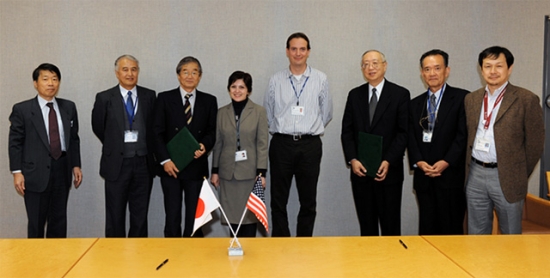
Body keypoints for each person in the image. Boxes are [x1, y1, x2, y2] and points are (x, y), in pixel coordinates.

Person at [465, 46, 544, 234]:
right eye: (487, 66)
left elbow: (535, 143)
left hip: (507, 175)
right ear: (481, 69)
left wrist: (517, 171)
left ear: (510, 68)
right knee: (476, 232)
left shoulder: (526, 99)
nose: (493, 72)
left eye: (499, 66)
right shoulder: (471, 99)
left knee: (510, 234)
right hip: (475, 173)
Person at [264, 32, 333, 237]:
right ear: (287, 51)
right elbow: (269, 112)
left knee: (308, 200)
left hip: (309, 144)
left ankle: (305, 242)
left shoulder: (320, 78)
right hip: (281, 144)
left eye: (302, 49)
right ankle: (281, 242)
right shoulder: (276, 80)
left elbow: (327, 112)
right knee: (278, 200)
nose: (298, 53)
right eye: (293, 49)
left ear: (308, 52)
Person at [8, 63, 82, 238]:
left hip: (62, 169)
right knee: (36, 223)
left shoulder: (68, 107)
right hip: (34, 173)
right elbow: (15, 143)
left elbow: (73, 138)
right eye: (46, 79)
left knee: (58, 221)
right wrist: (17, 172)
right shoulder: (23, 109)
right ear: (35, 83)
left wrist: (76, 165)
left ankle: (58, 261)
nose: (51, 83)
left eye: (55, 79)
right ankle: (36, 262)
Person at [341, 50, 409, 236]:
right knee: (367, 227)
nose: (370, 68)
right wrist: (353, 159)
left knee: (390, 226)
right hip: (361, 173)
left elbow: (404, 133)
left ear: (384, 66)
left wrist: (388, 161)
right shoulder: (354, 95)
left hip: (389, 172)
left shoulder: (400, 94)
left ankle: (392, 265)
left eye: (375, 63)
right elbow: (347, 132)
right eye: (365, 64)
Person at [92, 55, 156, 237]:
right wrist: (114, 144)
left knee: (140, 215)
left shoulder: (149, 96)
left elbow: (154, 128)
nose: (130, 73)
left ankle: (138, 254)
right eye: (125, 69)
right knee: (115, 215)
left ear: (138, 72)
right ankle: (115, 257)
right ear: (117, 73)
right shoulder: (104, 97)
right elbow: (98, 126)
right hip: (116, 164)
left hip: (143, 164)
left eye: (134, 69)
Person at [154, 56, 218, 237]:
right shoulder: (165, 98)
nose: (190, 76)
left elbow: (213, 131)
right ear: (178, 75)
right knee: (172, 216)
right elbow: (156, 133)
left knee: (196, 217)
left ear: (200, 76)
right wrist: (165, 160)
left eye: (194, 72)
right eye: (185, 71)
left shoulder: (209, 101)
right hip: (171, 168)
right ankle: (173, 255)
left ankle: (194, 257)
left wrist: (205, 145)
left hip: (196, 167)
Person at [408, 49, 468, 235]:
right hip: (424, 177)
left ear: (447, 70)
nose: (432, 73)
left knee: (451, 230)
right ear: (421, 73)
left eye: (437, 68)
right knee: (427, 229)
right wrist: (418, 161)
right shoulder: (415, 104)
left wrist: (446, 162)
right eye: (427, 69)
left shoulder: (462, 98)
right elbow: (411, 137)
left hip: (450, 177)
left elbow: (463, 136)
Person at [210, 71, 268, 237]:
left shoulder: (258, 112)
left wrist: (261, 173)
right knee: (231, 218)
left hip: (250, 174)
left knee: (248, 217)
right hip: (228, 174)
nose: (237, 90)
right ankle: (235, 249)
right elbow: (218, 144)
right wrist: (215, 171)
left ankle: (249, 253)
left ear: (248, 90)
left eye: (241, 87)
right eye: (233, 86)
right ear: (229, 89)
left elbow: (262, 144)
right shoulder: (221, 113)